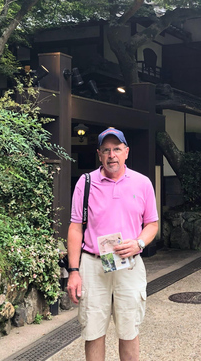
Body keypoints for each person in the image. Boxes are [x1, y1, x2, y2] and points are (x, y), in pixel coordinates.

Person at [66, 127, 159, 361]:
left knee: (129, 330)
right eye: (106, 150)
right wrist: (74, 271)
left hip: (129, 263)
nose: (111, 155)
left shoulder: (142, 183)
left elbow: (152, 225)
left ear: (126, 152)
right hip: (93, 265)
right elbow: (75, 228)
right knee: (93, 331)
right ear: (99, 154)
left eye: (117, 149)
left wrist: (139, 243)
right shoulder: (85, 183)